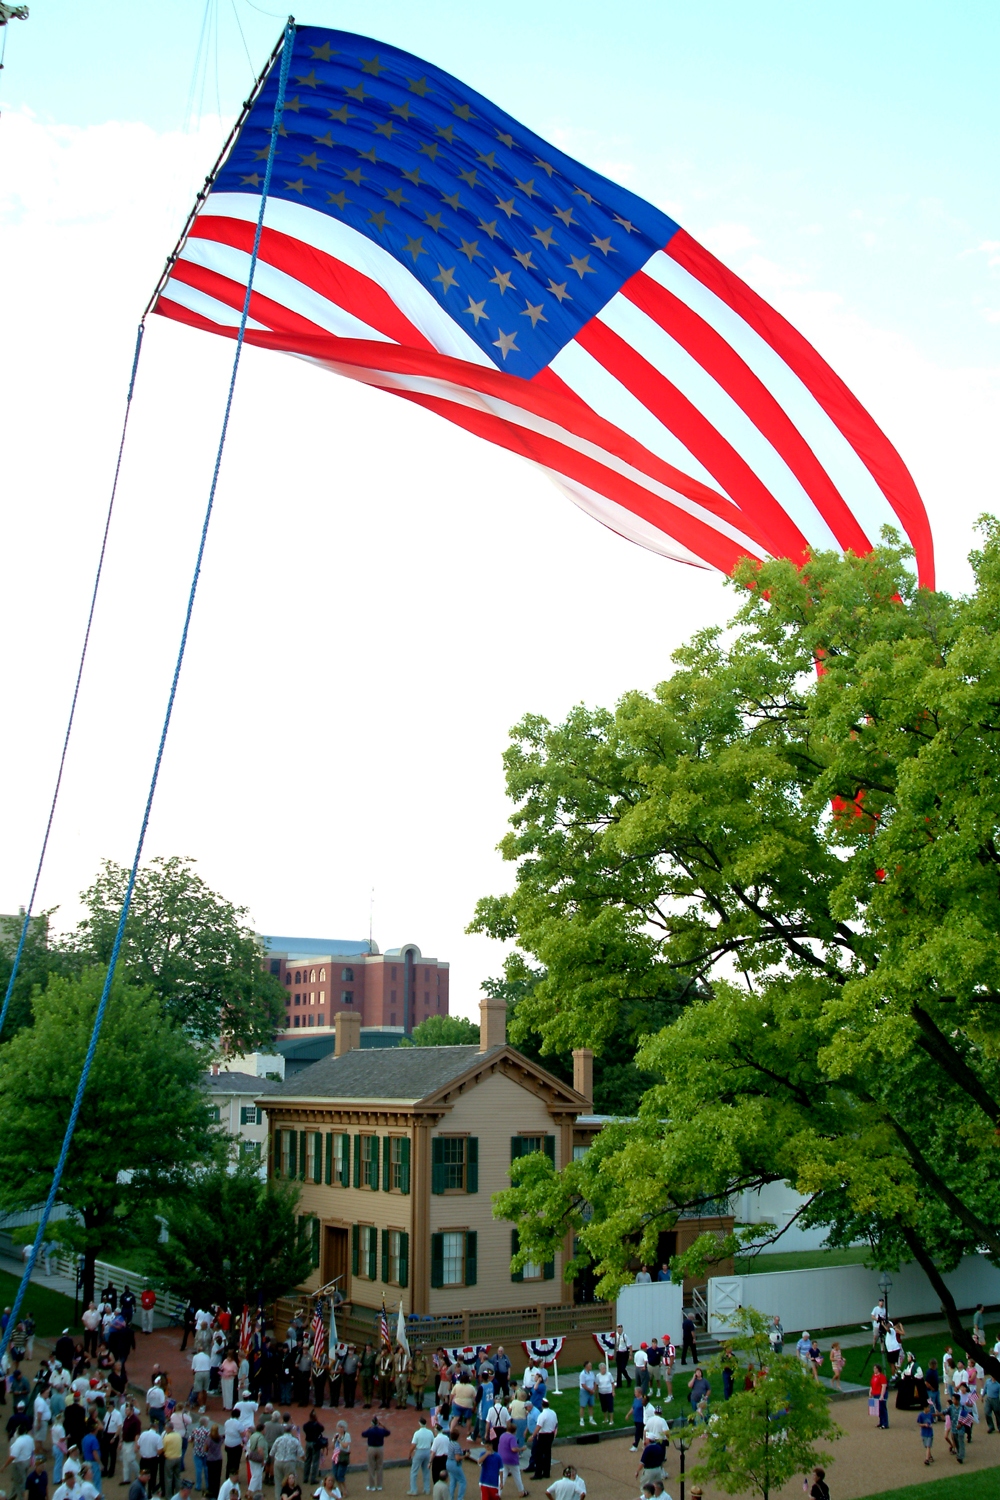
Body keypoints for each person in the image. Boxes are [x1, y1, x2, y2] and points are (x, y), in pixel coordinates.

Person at [268, 1424, 303, 1494]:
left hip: (278, 1462)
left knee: (278, 1483)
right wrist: (304, 1459)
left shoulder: (278, 1439)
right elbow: (301, 1454)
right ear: (291, 1431)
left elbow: (271, 1453)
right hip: (290, 1462)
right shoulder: (294, 1440)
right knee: (291, 1482)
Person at [360, 1416, 390, 1493]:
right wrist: (383, 1425)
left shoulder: (370, 1430)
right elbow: (388, 1432)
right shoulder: (381, 1430)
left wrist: (369, 1427)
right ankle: (379, 1486)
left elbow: (363, 1434)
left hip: (371, 1448)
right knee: (379, 1467)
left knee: (371, 1467)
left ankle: (372, 1486)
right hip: (380, 1448)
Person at [496, 1423, 525, 1499]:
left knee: (502, 1476)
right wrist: (521, 1449)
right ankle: (521, 1491)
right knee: (517, 1476)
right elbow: (514, 1449)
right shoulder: (512, 1438)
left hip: (502, 1458)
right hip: (511, 1460)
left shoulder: (502, 1436)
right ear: (514, 1431)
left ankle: (498, 1493)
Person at [7, 1426, 36, 1499]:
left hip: (18, 1464)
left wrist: (4, 1466)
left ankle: (21, 1498)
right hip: (27, 1462)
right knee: (19, 1481)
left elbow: (13, 1456)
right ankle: (11, 1497)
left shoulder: (18, 1441)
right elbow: (33, 1450)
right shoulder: (30, 1438)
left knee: (19, 1483)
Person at [407, 1414, 433, 1496]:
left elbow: (413, 1445)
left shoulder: (417, 1433)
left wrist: (409, 1453)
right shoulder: (430, 1432)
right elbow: (432, 1443)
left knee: (414, 1471)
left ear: (419, 1423)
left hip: (419, 1451)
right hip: (427, 1451)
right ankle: (427, 1489)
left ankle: (414, 1490)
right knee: (426, 1471)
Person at [531, 1402, 557, 1482]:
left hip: (543, 1436)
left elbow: (539, 1426)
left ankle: (538, 1473)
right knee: (547, 1454)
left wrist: (533, 1436)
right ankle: (546, 1473)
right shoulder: (553, 1413)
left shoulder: (542, 1415)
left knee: (538, 1454)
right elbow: (556, 1424)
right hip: (550, 1435)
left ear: (542, 1406)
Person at [576, 1364, 596, 1429]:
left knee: (591, 1405)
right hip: (584, 1391)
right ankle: (581, 1420)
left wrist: (593, 1390)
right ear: (586, 1366)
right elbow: (583, 1384)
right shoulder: (582, 1374)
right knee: (583, 1406)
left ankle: (591, 1419)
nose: (591, 1366)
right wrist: (590, 1390)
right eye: (590, 1365)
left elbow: (594, 1382)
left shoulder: (592, 1373)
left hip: (591, 1391)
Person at [330, 1423, 350, 1490]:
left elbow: (345, 1446)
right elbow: (332, 1447)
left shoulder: (347, 1435)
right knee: (335, 1475)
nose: (340, 1429)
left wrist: (339, 1440)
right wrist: (334, 1440)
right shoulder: (336, 1435)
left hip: (343, 1457)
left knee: (340, 1475)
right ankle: (340, 1490)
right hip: (336, 1456)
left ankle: (345, 1490)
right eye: (339, 1427)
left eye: (342, 1427)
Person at [870, 1365, 889, 1430]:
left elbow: (884, 1386)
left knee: (882, 1409)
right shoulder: (874, 1376)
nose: (874, 1369)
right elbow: (872, 1385)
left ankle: (885, 1423)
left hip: (880, 1394)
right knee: (878, 1409)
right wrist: (871, 1392)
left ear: (878, 1369)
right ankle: (881, 1422)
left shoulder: (882, 1377)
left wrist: (882, 1395)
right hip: (875, 1394)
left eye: (875, 1368)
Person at [983, 1367, 1000, 1433]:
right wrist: (982, 1396)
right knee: (987, 1413)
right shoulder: (988, 1381)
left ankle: (999, 1427)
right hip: (988, 1399)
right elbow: (985, 1389)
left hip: (995, 1399)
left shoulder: (998, 1383)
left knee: (997, 1414)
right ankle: (991, 1426)